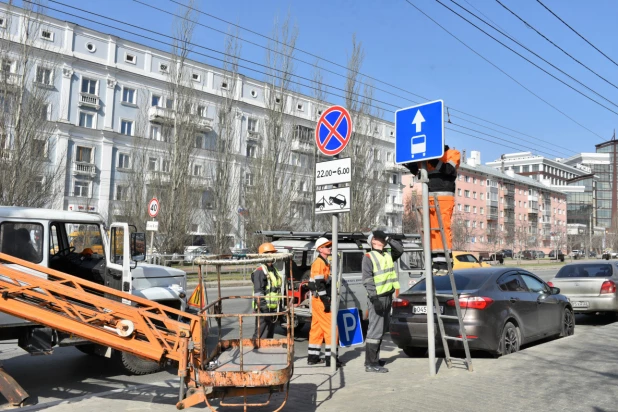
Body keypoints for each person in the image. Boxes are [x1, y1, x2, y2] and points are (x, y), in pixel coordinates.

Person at [404, 145, 461, 272]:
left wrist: (433, 160)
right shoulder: (426, 157)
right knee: (432, 230)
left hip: (444, 198)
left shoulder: (452, 153)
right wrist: (409, 162)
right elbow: (417, 171)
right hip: (428, 197)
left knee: (443, 229)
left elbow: (449, 170)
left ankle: (445, 263)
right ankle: (436, 261)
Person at [362, 230, 403, 373]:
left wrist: (387, 238)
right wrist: (374, 298)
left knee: (381, 329)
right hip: (377, 298)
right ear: (373, 241)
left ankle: (375, 359)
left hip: (387, 296)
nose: (382, 240)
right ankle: (370, 364)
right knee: (375, 330)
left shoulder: (387, 255)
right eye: (379, 238)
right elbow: (367, 280)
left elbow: (400, 249)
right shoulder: (368, 256)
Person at [307, 237, 343, 368]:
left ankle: (313, 357)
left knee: (317, 329)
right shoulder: (319, 263)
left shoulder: (324, 262)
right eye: (327, 246)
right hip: (321, 301)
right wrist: (326, 302)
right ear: (320, 249)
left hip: (317, 300)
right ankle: (331, 359)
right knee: (332, 328)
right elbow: (319, 284)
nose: (329, 248)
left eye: (329, 246)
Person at [251, 242, 282, 339]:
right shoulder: (260, 271)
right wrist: (264, 309)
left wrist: (278, 307)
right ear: (263, 256)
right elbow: (258, 292)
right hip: (264, 309)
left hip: (273, 309)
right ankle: (255, 352)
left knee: (269, 336)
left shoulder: (273, 270)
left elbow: (276, 290)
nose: (271, 256)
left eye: (272, 254)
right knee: (260, 335)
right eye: (269, 254)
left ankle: (267, 353)